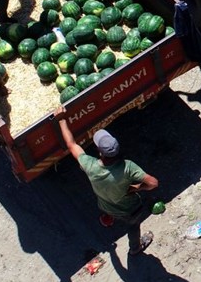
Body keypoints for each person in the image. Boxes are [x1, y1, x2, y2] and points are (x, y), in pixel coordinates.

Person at [55, 105, 159, 256]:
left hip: (106, 205)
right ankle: (135, 248)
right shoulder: (127, 167)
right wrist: (135, 188)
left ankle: (108, 218)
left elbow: (71, 144)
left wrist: (61, 120)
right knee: (133, 226)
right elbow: (153, 183)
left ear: (99, 151)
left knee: (109, 205)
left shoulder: (90, 165)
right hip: (130, 210)